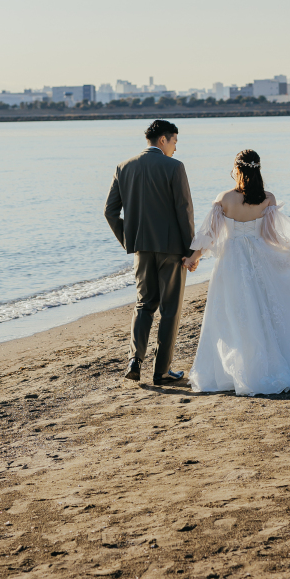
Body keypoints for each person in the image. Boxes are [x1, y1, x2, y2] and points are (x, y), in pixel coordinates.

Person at [182, 149, 290, 395]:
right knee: (267, 309)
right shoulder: (267, 198)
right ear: (257, 170)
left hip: (232, 262)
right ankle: (277, 359)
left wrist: (192, 258)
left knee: (236, 313)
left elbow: (209, 236)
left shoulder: (225, 198)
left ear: (238, 170)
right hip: (260, 257)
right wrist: (287, 250)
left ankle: (243, 367)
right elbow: (271, 235)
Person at [104, 119, 195, 385]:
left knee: (144, 304)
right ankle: (162, 371)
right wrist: (190, 252)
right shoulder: (175, 168)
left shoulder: (124, 167)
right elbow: (184, 211)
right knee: (170, 310)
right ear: (163, 140)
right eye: (175, 141)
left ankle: (135, 360)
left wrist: (129, 240)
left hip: (141, 250)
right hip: (172, 250)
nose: (176, 148)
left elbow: (109, 212)